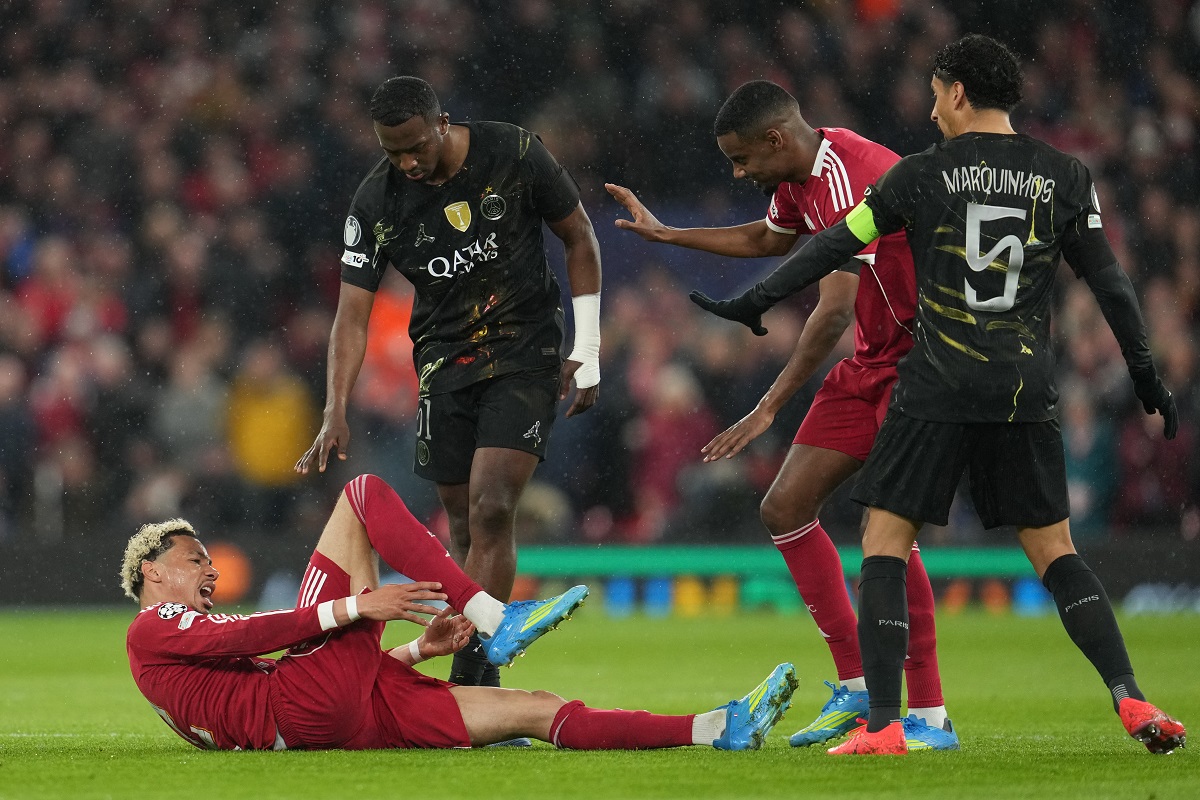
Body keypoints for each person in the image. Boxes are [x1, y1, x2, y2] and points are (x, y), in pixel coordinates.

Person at [690, 34, 1186, 756]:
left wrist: (756, 299)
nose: (928, 111)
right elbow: (1110, 284)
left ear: (956, 92)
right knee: (1056, 552)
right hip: (1022, 385)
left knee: (884, 544)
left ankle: (890, 724)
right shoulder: (1064, 176)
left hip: (937, 378)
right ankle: (1131, 695)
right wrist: (1146, 374)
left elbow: (834, 245)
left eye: (933, 95)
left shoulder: (921, 175)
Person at [605, 80, 956, 750]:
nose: (740, 173)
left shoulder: (854, 176)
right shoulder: (800, 176)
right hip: (875, 359)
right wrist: (667, 234)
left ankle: (932, 715)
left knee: (888, 527)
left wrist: (769, 407)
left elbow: (828, 314)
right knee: (785, 507)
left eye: (742, 160)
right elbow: (768, 238)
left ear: (775, 138)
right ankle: (857, 691)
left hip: (921, 362)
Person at [295, 76, 603, 691]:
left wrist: (588, 348)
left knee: (492, 508)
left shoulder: (513, 152)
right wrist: (335, 409)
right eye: (392, 151)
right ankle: (477, 675)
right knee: (461, 528)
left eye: (415, 146)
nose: (406, 161)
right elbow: (350, 315)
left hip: (525, 346)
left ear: (441, 122)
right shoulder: (376, 202)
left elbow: (579, 236)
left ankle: (470, 680)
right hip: (442, 361)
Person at [122, 472, 796, 752]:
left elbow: (304, 678)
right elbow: (263, 631)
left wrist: (418, 651)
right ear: (153, 571)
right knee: (360, 494)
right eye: (194, 558)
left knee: (537, 705)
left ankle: (717, 727)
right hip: (302, 709)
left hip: (339, 719)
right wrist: (360, 603)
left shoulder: (177, 642)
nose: (209, 568)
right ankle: (496, 619)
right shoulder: (152, 627)